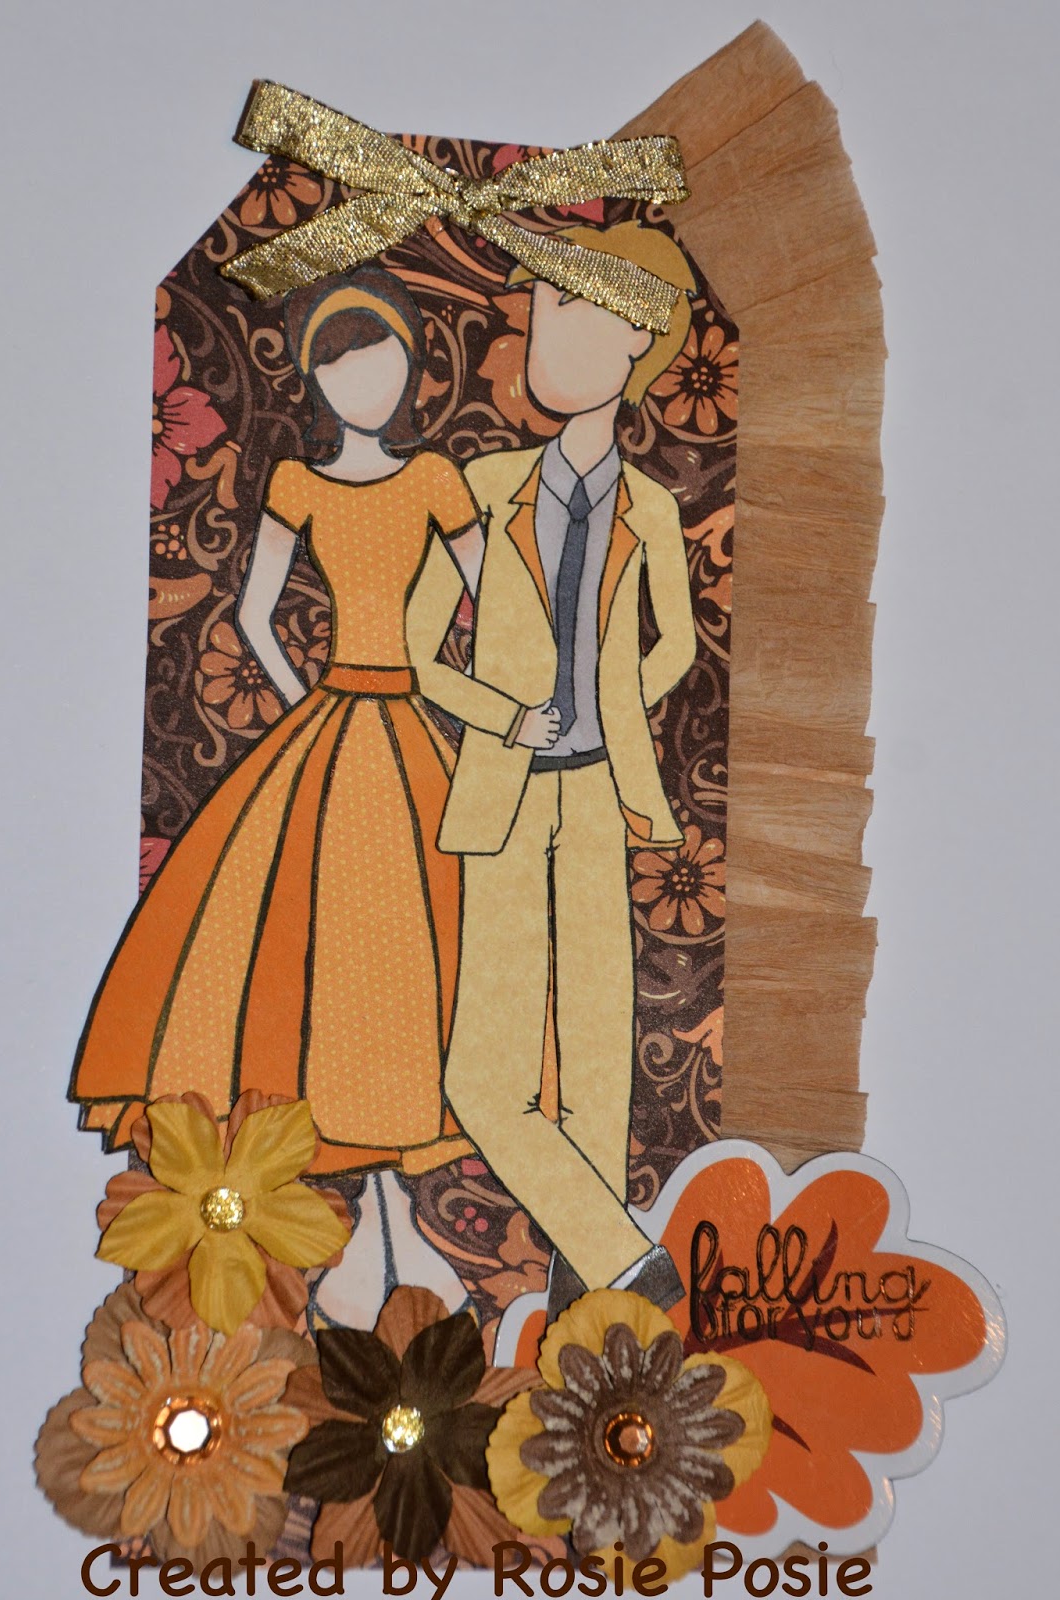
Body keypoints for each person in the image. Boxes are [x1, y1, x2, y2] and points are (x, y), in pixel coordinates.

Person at [70, 265, 510, 1324]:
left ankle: (402, 1223)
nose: (367, 381)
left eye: (384, 359)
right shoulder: (298, 487)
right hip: (333, 726)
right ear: (315, 380)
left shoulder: (435, 479)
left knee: (416, 960)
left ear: (412, 366)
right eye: (344, 365)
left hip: (411, 728)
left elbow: (496, 596)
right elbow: (254, 614)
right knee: (315, 961)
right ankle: (359, 1229)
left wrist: (470, 691)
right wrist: (301, 696)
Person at [406, 221, 699, 1316]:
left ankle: (593, 1307)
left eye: (574, 310)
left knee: (597, 1068)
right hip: (506, 791)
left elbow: (675, 644)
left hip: (601, 795)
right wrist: (504, 716)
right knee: (482, 1078)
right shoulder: (480, 487)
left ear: (636, 338)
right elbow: (421, 648)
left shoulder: (653, 509)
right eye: (541, 308)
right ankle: (629, 1260)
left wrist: (621, 703)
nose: (544, 331)